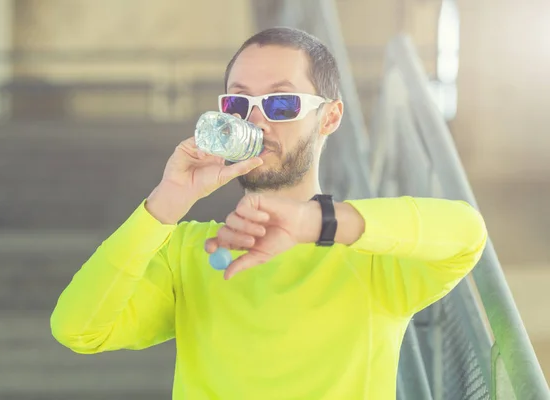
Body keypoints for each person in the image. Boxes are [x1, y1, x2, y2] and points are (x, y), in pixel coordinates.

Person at [50, 27, 487, 399]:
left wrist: (317, 223)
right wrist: (165, 203)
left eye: (282, 104)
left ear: (330, 118)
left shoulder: (370, 253)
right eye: (239, 104)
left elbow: (466, 233)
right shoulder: (188, 249)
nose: (256, 121)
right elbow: (78, 328)